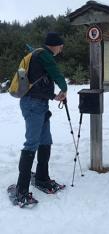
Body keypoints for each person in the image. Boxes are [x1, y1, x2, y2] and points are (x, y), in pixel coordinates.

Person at [15, 32, 67, 205]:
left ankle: (42, 178)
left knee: (46, 141)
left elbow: (38, 84)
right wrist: (64, 88)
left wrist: (53, 97)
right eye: (60, 45)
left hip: (39, 103)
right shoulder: (45, 55)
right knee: (31, 144)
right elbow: (56, 73)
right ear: (54, 44)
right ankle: (21, 190)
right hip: (33, 105)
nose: (61, 48)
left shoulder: (39, 55)